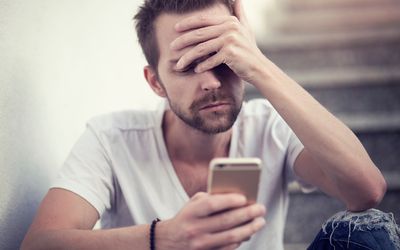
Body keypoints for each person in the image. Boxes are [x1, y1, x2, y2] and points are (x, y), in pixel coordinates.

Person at [21, 0, 398, 249]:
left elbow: (366, 190)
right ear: (155, 82)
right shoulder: (111, 138)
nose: (212, 81)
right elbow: (39, 243)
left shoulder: (269, 126)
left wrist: (259, 65)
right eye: (187, 65)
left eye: (222, 57)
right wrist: (164, 237)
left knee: (369, 233)